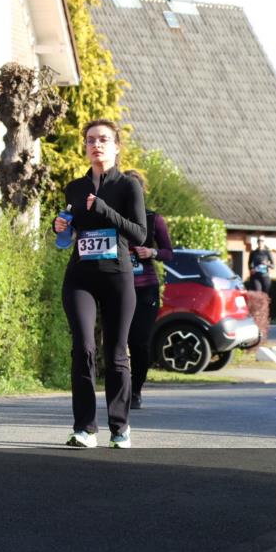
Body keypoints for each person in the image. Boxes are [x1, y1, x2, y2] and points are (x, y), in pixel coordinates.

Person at [53, 119, 146, 448]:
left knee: (117, 352)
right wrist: (61, 225)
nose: (97, 145)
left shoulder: (127, 186)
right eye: (91, 140)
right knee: (83, 349)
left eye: (104, 139)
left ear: (116, 146)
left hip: (117, 278)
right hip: (81, 277)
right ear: (85, 146)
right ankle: (85, 429)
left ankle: (120, 428)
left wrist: (105, 210)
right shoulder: (75, 188)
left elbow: (139, 233)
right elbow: (67, 237)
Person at [123, 170, 173, 409]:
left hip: (145, 288)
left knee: (139, 342)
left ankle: (136, 390)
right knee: (117, 341)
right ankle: (120, 388)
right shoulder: (112, 217)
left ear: (141, 192)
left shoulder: (154, 219)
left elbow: (168, 252)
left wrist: (150, 252)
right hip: (118, 288)